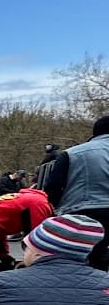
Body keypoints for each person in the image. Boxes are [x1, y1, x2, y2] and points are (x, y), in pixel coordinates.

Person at [41, 114, 109, 269]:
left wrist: (57, 208)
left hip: (84, 212)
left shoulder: (72, 153)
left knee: (85, 258)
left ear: (94, 133)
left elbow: (53, 186)